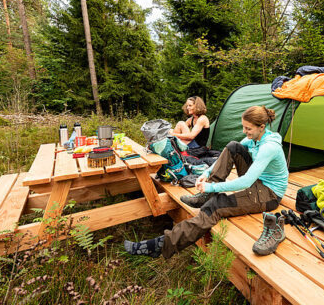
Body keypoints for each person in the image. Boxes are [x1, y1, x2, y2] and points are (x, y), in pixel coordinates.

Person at [124, 105, 289, 258]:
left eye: (248, 128)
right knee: (233, 146)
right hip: (257, 183)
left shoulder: (270, 147)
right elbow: (229, 155)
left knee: (216, 205)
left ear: (262, 127)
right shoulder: (254, 138)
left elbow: (246, 181)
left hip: (269, 195)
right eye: (243, 127)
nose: (244, 131)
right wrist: (206, 172)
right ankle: (207, 195)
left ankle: (162, 245)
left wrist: (211, 186)